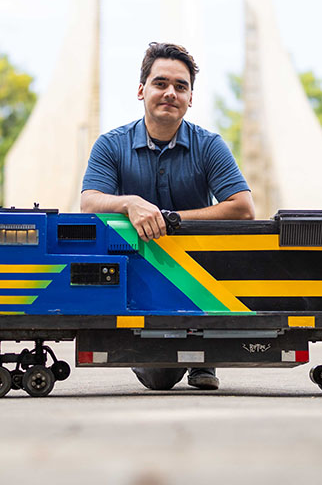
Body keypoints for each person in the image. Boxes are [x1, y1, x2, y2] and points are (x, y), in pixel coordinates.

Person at [81, 42, 255, 390]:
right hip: (140, 270)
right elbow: (89, 202)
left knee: (192, 352)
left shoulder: (210, 146)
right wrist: (130, 203)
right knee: (159, 379)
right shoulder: (110, 145)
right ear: (142, 90)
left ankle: (206, 356)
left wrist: (171, 217)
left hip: (201, 276)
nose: (170, 93)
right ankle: (169, 353)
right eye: (161, 83)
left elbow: (243, 208)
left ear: (191, 98)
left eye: (181, 86)